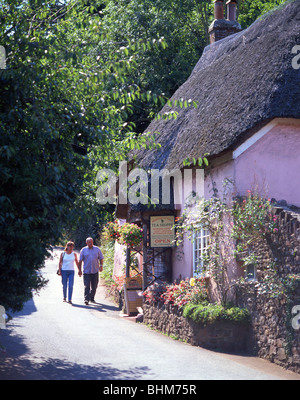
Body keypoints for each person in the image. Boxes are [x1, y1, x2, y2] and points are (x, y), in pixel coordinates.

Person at [78, 237, 104, 305]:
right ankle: (86, 299)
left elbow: (101, 258)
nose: (91, 243)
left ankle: (92, 298)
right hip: (86, 271)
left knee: (94, 286)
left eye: (92, 242)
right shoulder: (83, 250)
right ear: (86, 243)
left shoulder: (97, 249)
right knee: (87, 286)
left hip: (95, 271)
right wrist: (79, 270)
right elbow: (80, 260)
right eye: (89, 242)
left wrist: (101, 266)